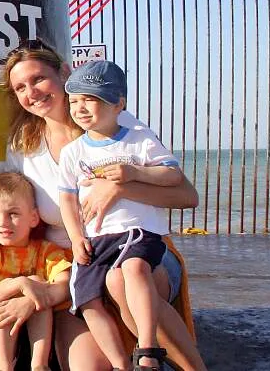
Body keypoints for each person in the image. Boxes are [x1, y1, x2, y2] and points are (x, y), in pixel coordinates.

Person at [0, 41, 206, 371]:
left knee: (121, 281)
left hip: (139, 247)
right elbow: (12, 204)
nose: (31, 92)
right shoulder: (23, 145)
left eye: (38, 79)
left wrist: (120, 188)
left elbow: (186, 197)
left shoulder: (111, 123)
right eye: (20, 87)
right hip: (73, 264)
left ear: (64, 72)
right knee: (86, 366)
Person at [57, 60, 184, 371]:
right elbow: (67, 200)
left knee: (134, 268)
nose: (81, 108)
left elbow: (173, 177)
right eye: (74, 100)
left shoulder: (138, 139)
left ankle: (148, 348)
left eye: (91, 99)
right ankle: (120, 364)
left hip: (136, 231)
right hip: (96, 238)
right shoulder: (73, 152)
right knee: (85, 301)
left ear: (119, 105)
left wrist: (134, 172)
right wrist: (75, 238)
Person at [0, 172, 72, 371]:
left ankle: (40, 365)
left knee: (39, 289)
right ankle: (3, 367)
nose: (3, 222)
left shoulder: (47, 251)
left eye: (12, 214)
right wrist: (17, 284)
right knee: (14, 295)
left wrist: (31, 297)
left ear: (33, 218)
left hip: (31, 343)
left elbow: (65, 287)